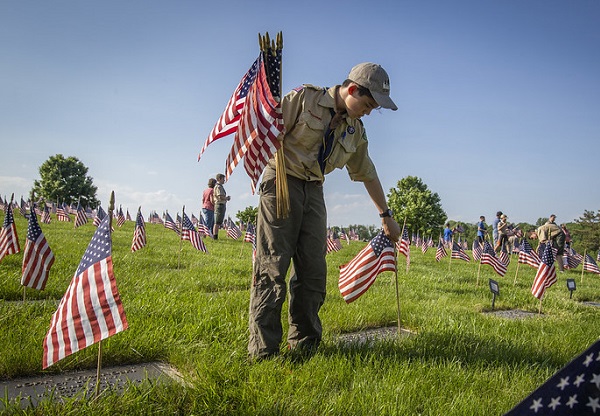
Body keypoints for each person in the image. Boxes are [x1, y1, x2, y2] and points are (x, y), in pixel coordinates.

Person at [248, 62, 402, 361]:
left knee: (314, 271)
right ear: (352, 89)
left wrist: (386, 215)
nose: (369, 111)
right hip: (281, 180)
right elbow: (262, 130)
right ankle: (263, 352)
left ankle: (304, 344)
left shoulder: (355, 129)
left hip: (313, 189)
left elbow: (366, 172)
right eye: (368, 104)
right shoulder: (305, 98)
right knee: (273, 267)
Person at [212, 173, 230, 239]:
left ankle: (215, 236)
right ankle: (215, 237)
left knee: (218, 222)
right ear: (219, 179)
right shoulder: (219, 187)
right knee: (217, 222)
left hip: (221, 205)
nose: (224, 180)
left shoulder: (219, 187)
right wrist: (226, 198)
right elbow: (220, 196)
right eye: (223, 179)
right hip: (219, 205)